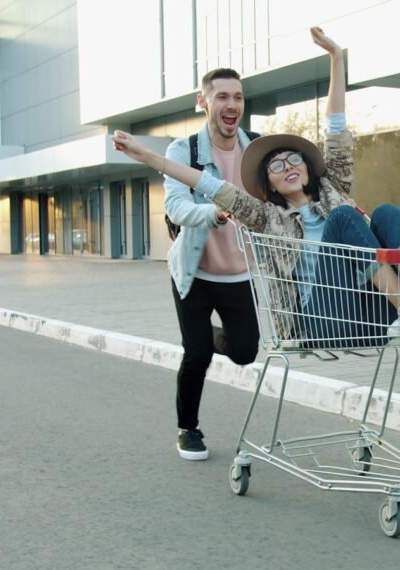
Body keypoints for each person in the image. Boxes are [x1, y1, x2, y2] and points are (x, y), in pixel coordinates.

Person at [114, 27, 400, 350]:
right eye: (276, 165)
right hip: (323, 321)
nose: (288, 167)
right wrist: (148, 156)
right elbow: (209, 184)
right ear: (268, 181)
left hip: (367, 310)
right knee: (344, 218)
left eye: (293, 159)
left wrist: (336, 58)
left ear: (307, 166)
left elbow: (336, 127)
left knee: (387, 211)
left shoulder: (332, 188)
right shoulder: (266, 216)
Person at [162, 65, 260, 460]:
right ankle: (188, 428)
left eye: (237, 97)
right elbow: (175, 204)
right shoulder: (183, 150)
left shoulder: (257, 148)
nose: (231, 104)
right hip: (194, 274)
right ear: (203, 102)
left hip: (239, 275)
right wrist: (214, 213)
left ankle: (213, 336)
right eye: (222, 96)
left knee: (244, 352)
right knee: (197, 353)